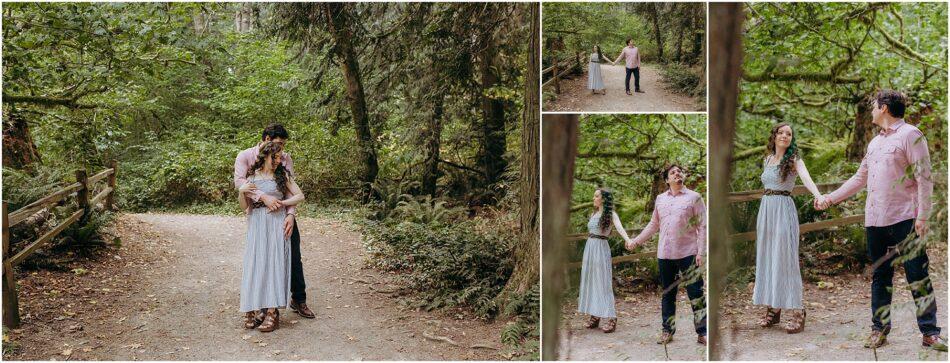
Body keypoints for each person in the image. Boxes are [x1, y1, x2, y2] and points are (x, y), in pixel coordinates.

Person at [817, 90, 946, 351]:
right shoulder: (874, 143)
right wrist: (830, 198)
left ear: (885, 107)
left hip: (905, 218)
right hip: (875, 219)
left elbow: (924, 177)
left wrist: (923, 215)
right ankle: (879, 328)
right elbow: (859, 178)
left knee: (916, 275)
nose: (872, 110)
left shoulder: (911, 135)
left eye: (874, 106)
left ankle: (930, 333)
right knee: (880, 276)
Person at [234, 124, 316, 319]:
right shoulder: (245, 156)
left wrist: (290, 214)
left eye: (284, 145)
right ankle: (263, 301)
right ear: (267, 140)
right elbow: (240, 183)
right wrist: (263, 197)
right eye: (279, 144)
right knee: (261, 257)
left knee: (292, 254)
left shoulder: (285, 159)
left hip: (282, 214)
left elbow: (289, 187)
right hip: (260, 213)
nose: (282, 151)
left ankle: (298, 299)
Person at [752, 123, 823, 334]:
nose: (785, 136)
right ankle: (774, 308)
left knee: (786, 259)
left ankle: (798, 311)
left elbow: (807, 178)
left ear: (792, 139)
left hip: (783, 209)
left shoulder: (794, 160)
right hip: (766, 211)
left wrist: (818, 195)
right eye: (781, 132)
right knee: (768, 257)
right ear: (774, 136)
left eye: (789, 133)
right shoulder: (767, 159)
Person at [627, 165, 706, 345]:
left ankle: (703, 332)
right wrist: (636, 241)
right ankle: (667, 331)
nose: (677, 173)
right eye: (672, 172)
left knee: (696, 293)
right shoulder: (660, 199)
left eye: (679, 171)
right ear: (667, 180)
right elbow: (653, 225)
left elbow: (702, 226)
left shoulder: (694, 197)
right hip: (665, 254)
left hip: (688, 253)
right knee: (668, 294)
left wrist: (701, 252)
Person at [578, 188, 633, 333]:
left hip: (601, 248)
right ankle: (595, 315)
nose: (593, 198)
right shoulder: (594, 213)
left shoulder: (611, 214)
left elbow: (620, 228)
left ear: (603, 199)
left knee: (603, 282)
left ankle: (611, 317)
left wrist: (628, 240)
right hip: (590, 248)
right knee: (592, 281)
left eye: (596, 196)